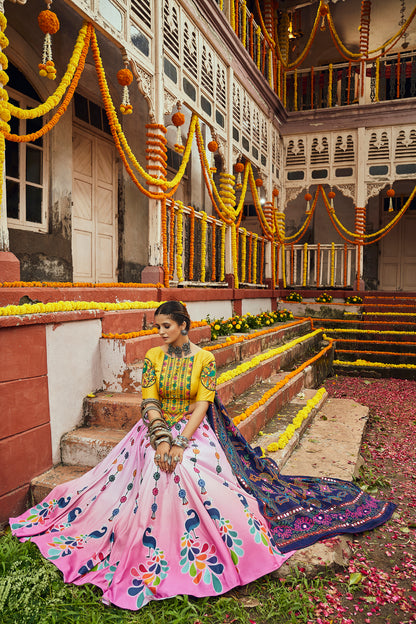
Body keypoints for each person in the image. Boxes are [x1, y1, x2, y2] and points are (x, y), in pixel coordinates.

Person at [9, 300, 395, 610]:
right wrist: (160, 440)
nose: (159, 333)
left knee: (188, 469)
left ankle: (205, 553)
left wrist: (180, 444)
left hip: (193, 429)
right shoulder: (154, 359)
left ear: (183, 325)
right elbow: (148, 400)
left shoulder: (204, 360)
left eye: (165, 326)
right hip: (155, 427)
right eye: (157, 326)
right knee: (154, 470)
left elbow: (202, 403)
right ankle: (147, 555)